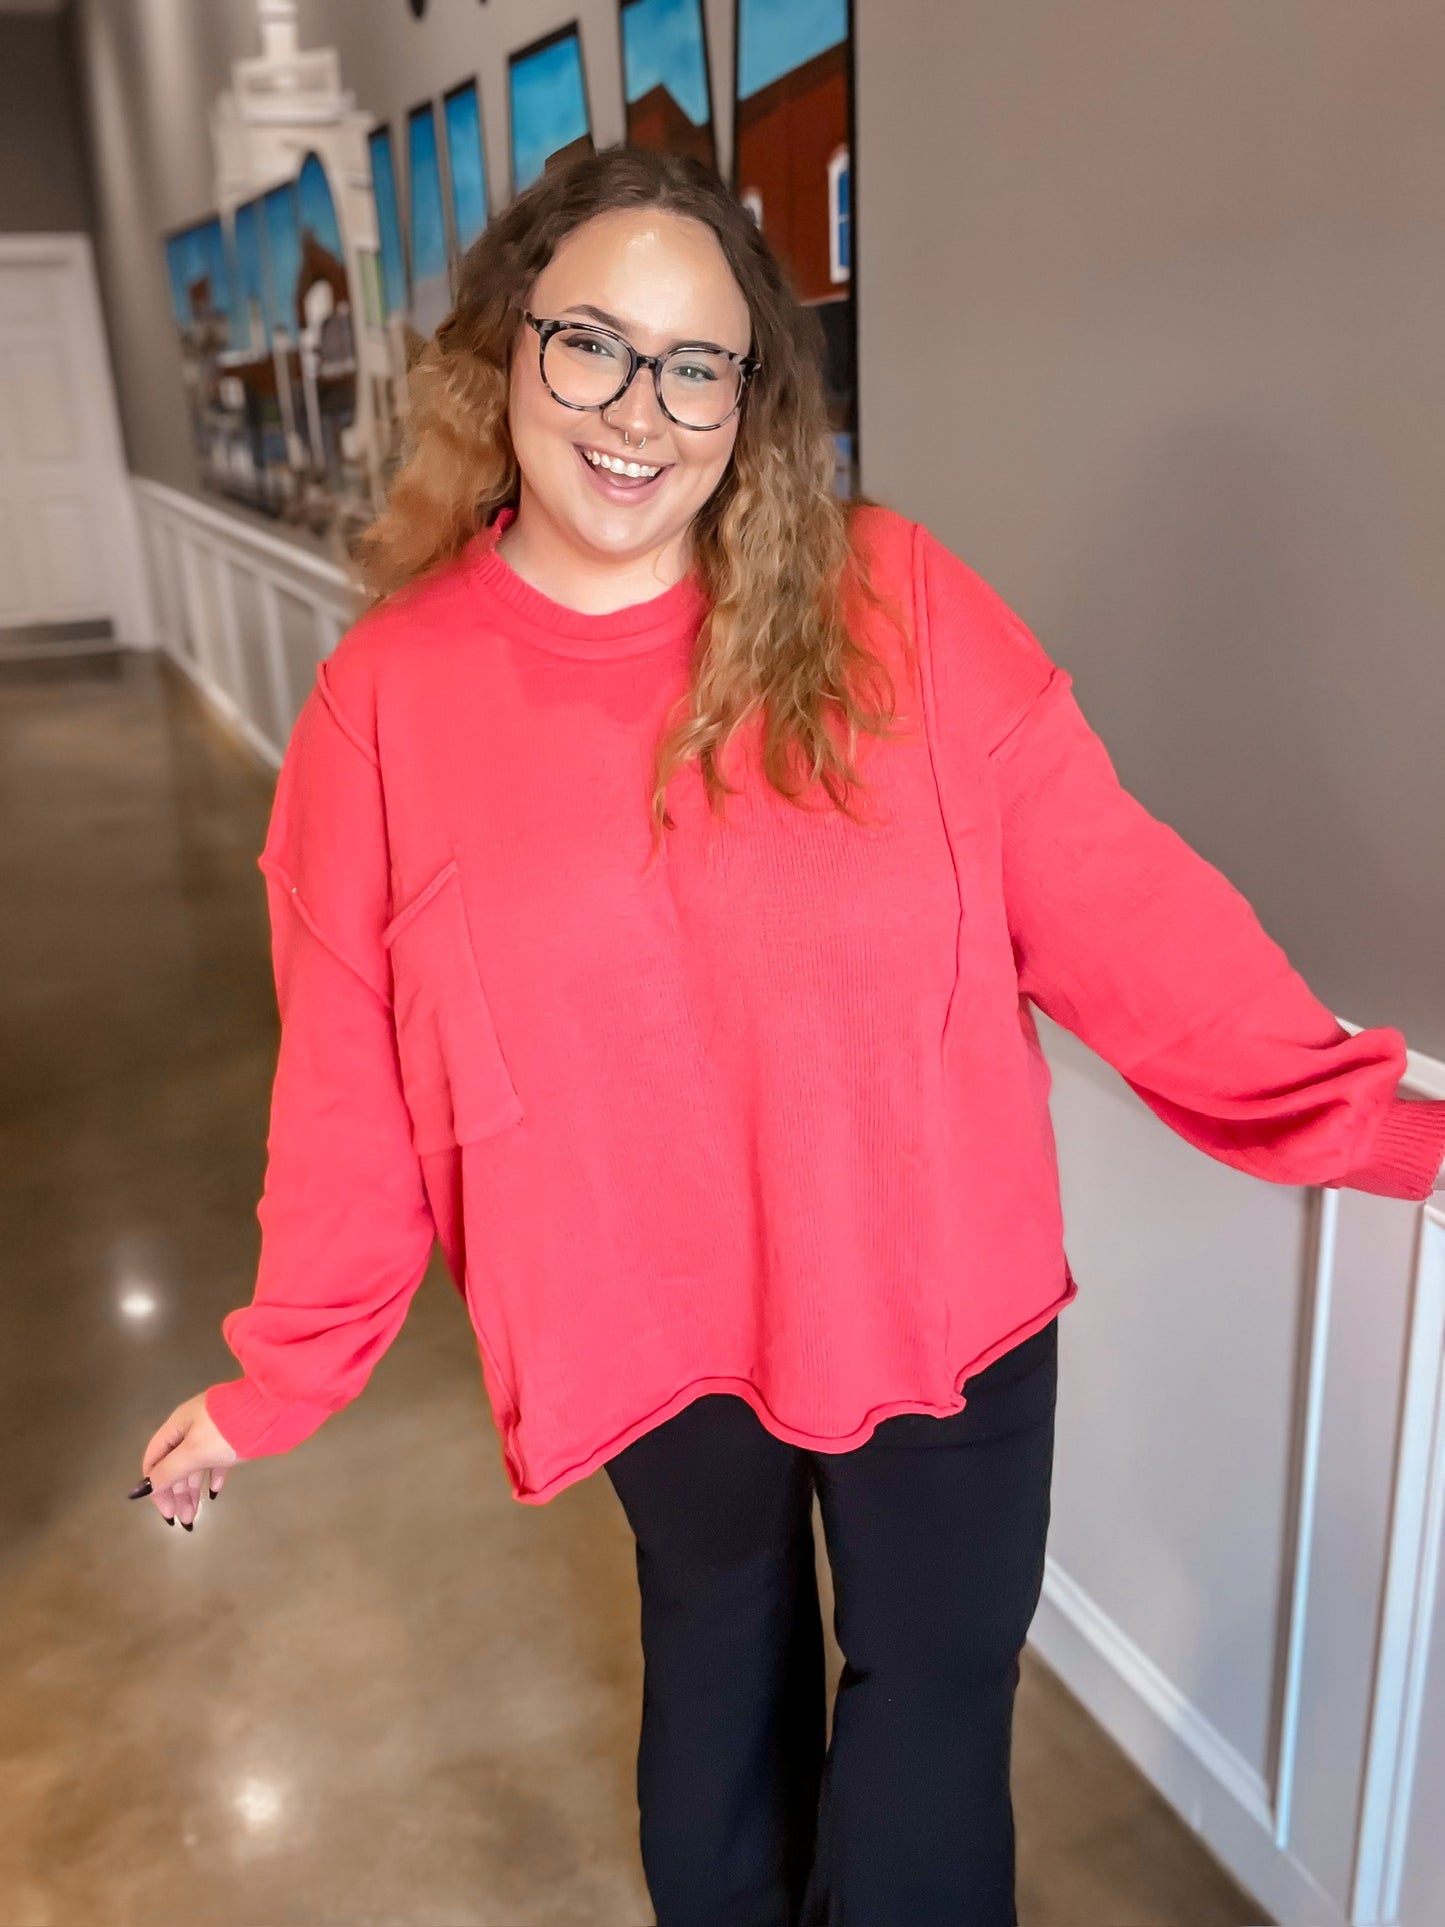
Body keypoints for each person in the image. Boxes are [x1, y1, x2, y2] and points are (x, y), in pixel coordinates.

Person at [130, 144, 1445, 1926]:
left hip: (939, 1303)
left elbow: (1129, 914)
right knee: (722, 1699)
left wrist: (1389, 1132)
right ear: (503, 352)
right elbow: (352, 1090)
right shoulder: (391, 702)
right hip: (652, 1335)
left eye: (696, 364)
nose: (637, 410)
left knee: (926, 1722)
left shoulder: (891, 605)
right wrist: (274, 1382)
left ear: (749, 399)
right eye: (591, 343)